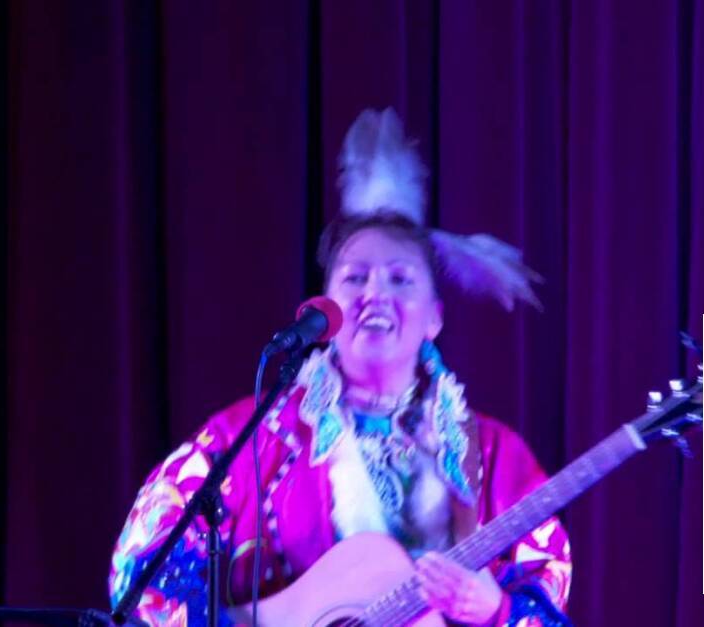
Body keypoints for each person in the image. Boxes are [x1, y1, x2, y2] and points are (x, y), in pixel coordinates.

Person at [109, 109, 571, 626]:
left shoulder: (497, 459)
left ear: (434, 318)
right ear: (325, 307)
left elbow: (548, 599)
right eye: (354, 278)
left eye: (400, 279)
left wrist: (497, 610)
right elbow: (141, 570)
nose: (375, 294)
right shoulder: (247, 440)